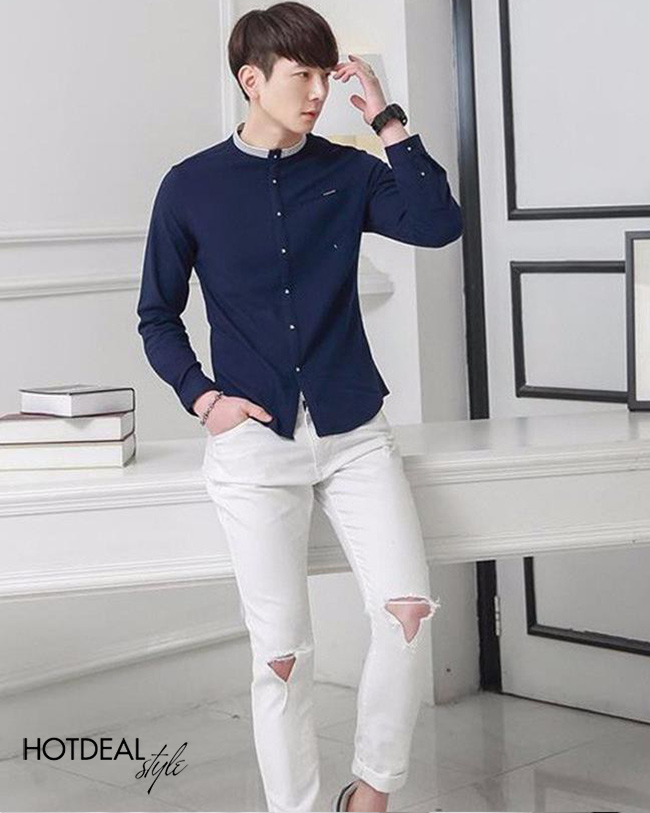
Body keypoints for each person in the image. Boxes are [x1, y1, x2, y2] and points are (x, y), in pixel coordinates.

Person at [136, 3, 463, 811]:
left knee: (407, 612)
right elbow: (156, 314)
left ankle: (371, 793)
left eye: (326, 74)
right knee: (282, 654)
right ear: (252, 80)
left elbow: (437, 223)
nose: (318, 92)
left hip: (355, 432)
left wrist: (385, 117)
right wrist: (203, 397)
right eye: (302, 75)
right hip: (254, 445)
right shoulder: (190, 186)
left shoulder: (350, 172)